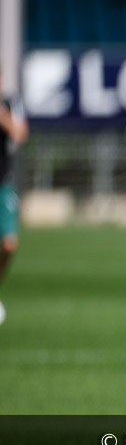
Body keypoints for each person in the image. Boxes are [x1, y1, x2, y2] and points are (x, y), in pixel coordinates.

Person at [0, 67, 29, 325]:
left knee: (9, 244)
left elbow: (20, 134)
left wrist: (4, 118)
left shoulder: (10, 103)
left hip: (3, 183)